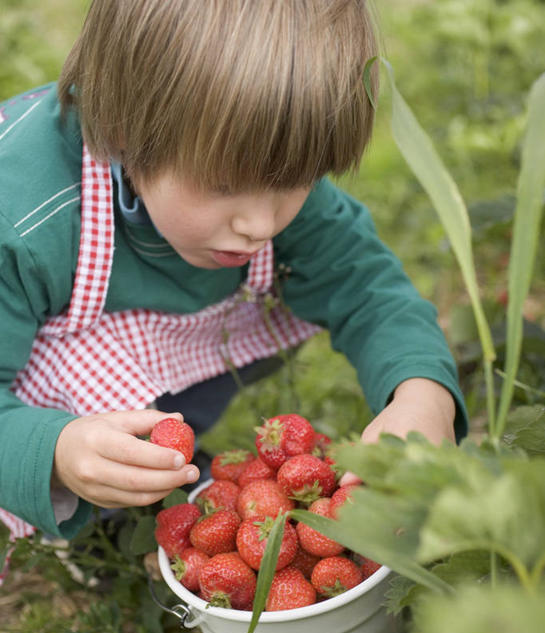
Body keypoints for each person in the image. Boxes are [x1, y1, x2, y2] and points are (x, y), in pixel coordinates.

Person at [0, 0, 467, 549]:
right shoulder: (24, 222)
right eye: (224, 187)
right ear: (123, 131)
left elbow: (370, 292)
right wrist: (53, 451)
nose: (260, 224)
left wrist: (421, 395)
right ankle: (90, 495)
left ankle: (150, 466)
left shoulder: (253, 163)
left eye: (294, 181)